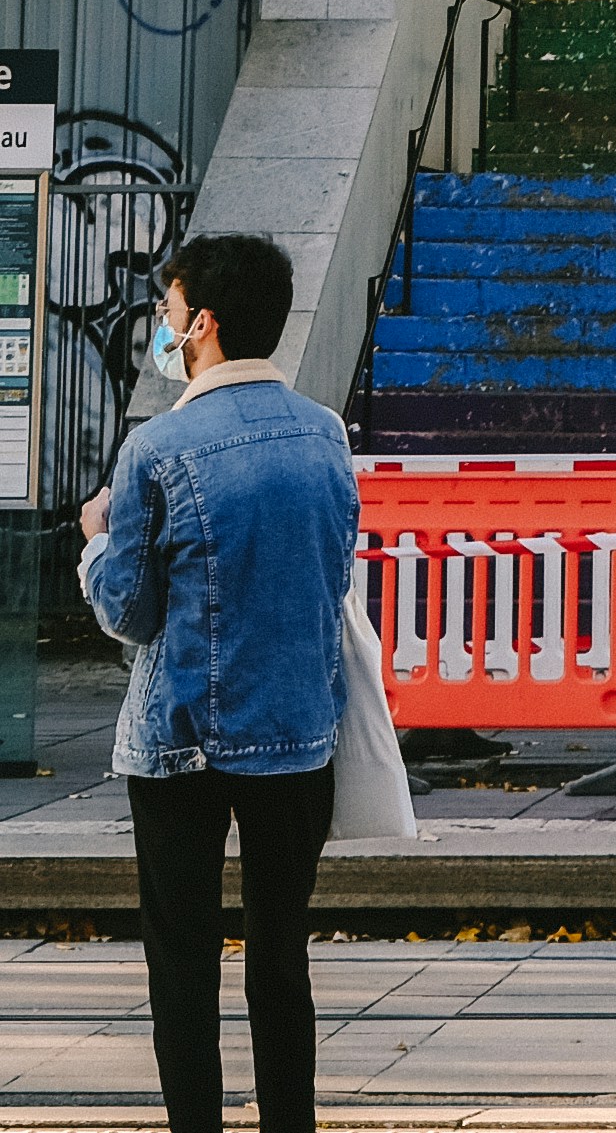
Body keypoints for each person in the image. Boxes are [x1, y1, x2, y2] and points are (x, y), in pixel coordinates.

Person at [79, 232, 359, 1133]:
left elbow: (129, 609)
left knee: (183, 966)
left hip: (178, 738)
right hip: (297, 734)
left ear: (201, 322)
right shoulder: (326, 436)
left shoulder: (157, 449)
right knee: (282, 958)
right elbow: (331, 574)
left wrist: (94, 537)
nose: (163, 323)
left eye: (168, 309)